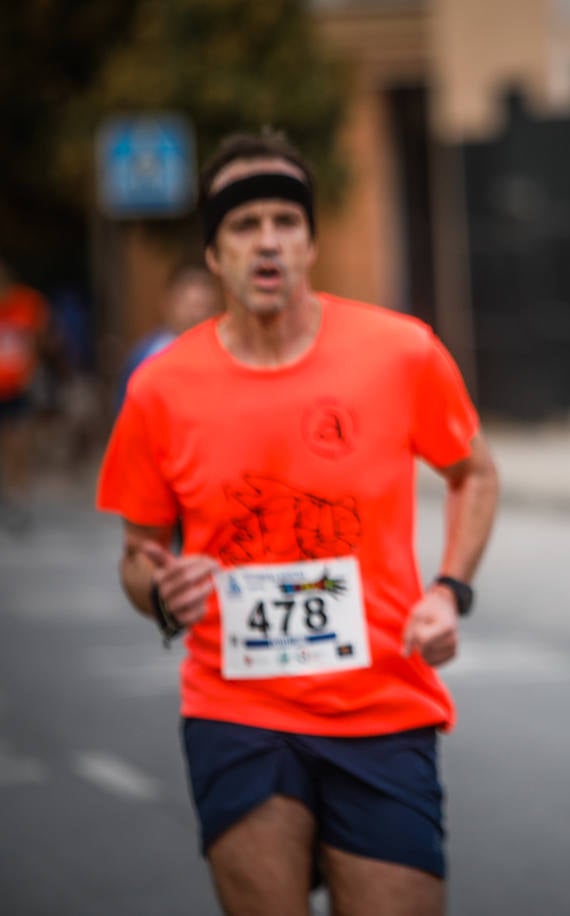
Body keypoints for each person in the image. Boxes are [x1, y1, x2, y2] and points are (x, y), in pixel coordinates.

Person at [95, 130, 499, 916]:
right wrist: (161, 588)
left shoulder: (400, 352)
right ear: (214, 255)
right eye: (244, 226)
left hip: (382, 703)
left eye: (285, 219)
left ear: (311, 240)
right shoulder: (161, 388)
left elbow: (473, 471)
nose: (268, 240)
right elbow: (137, 556)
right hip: (236, 707)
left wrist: (449, 590)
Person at [114, 263, 222, 412]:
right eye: (189, 306)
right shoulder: (146, 356)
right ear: (167, 303)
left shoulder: (227, 352)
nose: (196, 316)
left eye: (204, 307)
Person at [0, 257, 52, 530]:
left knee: (18, 442)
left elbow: (42, 338)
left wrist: (36, 368)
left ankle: (18, 496)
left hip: (19, 385)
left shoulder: (27, 303)